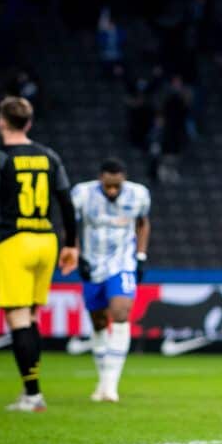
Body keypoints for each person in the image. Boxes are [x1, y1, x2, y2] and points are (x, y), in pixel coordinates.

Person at [0, 97, 78, 412]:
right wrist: (71, 245)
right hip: (46, 241)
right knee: (33, 316)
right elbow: (66, 203)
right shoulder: (49, 156)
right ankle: (31, 392)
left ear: (2, 122)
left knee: (18, 318)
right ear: (29, 122)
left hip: (16, 241)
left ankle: (33, 395)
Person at [72, 158, 151, 402]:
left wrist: (140, 255)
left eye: (116, 186)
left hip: (122, 263)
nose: (112, 191)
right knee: (97, 321)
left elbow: (143, 223)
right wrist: (75, 253)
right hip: (93, 263)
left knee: (120, 313)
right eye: (108, 186)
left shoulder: (139, 194)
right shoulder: (82, 194)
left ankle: (110, 385)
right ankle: (102, 381)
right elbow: (70, 224)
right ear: (100, 179)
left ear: (123, 179)